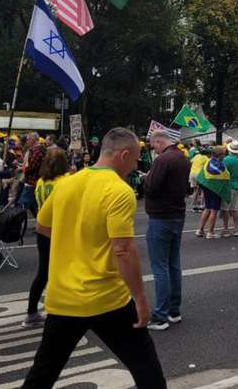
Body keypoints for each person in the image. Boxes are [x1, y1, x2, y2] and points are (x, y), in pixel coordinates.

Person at [22, 128, 166, 388]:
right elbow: (123, 250)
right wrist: (141, 299)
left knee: (42, 375)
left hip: (63, 298)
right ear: (123, 155)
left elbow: (43, 226)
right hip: (107, 298)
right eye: (135, 160)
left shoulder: (66, 183)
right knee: (146, 369)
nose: (135, 166)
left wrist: (73, 244)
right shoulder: (119, 191)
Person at [143, 130, 190, 331]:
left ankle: (160, 316)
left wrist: (145, 178)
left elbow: (152, 187)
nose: (153, 148)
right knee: (173, 265)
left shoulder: (163, 160)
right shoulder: (182, 158)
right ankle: (173, 311)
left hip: (161, 216)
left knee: (160, 267)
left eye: (153, 145)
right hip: (177, 215)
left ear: (160, 141)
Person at [24, 147, 71, 327]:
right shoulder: (67, 181)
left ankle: (32, 312)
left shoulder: (41, 182)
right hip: (61, 232)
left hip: (43, 231)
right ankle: (64, 310)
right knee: (66, 272)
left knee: (43, 273)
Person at [195, 147, 229, 239]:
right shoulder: (221, 166)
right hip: (215, 189)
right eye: (223, 154)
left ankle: (200, 230)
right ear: (220, 155)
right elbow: (226, 177)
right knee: (214, 210)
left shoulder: (208, 162)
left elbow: (201, 175)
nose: (224, 156)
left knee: (207, 208)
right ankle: (210, 232)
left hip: (206, 187)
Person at [222, 141, 238, 237]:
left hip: (228, 185)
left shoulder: (226, 159)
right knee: (235, 208)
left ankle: (226, 229)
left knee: (226, 209)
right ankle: (236, 229)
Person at [20, 132, 47, 216]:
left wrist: (22, 169)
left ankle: (16, 224)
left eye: (28, 139)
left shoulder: (37, 151)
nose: (27, 141)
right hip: (33, 181)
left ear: (33, 140)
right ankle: (40, 221)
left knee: (22, 203)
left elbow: (32, 166)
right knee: (34, 204)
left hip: (32, 181)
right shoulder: (34, 150)